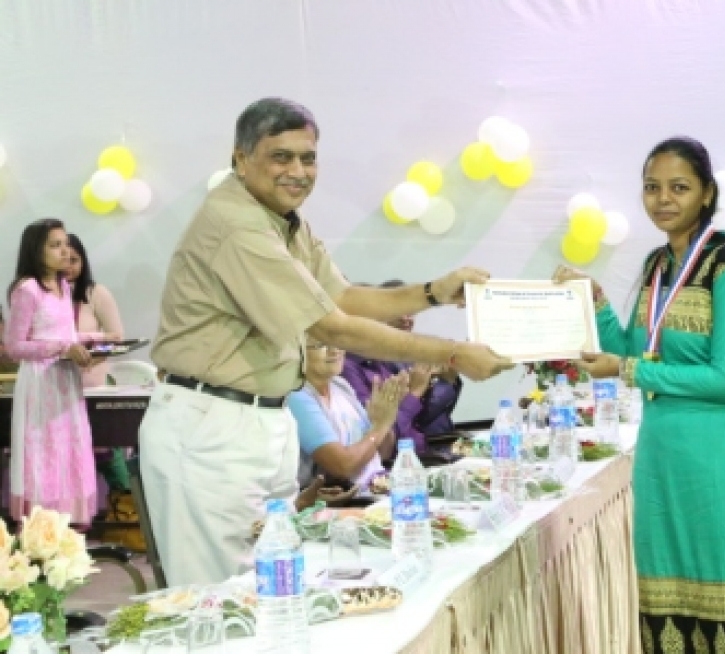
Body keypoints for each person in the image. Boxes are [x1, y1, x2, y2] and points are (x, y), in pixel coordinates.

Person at [141, 97, 513, 585]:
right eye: (281, 157)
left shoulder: (282, 220)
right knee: (222, 592)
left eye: (308, 158)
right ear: (241, 159)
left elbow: (343, 296)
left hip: (261, 419)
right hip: (212, 425)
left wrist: (432, 292)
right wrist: (453, 353)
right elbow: (332, 327)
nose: (297, 171)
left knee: (275, 583)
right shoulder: (236, 224)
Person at [554, 136, 725, 652]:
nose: (663, 199)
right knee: (668, 614)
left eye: (679, 187)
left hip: (722, 462)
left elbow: (722, 378)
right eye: (652, 187)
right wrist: (596, 303)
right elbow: (632, 351)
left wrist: (628, 368)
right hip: (663, 463)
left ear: (707, 193)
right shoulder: (656, 266)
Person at [3, 218, 99, 525]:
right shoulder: (27, 290)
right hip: (40, 384)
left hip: (65, 380)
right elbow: (14, 346)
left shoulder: (64, 286)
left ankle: (68, 528)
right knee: (43, 452)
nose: (65, 252)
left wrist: (93, 344)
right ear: (36, 250)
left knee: (70, 449)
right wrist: (61, 348)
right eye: (55, 245)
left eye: (65, 244)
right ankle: (41, 527)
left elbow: (64, 334)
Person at [342, 280, 464, 453]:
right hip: (402, 458)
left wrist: (447, 381)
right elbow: (384, 433)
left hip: (429, 447)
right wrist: (415, 392)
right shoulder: (347, 368)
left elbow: (421, 417)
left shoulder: (380, 359)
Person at [288, 340, 407, 490]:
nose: (334, 351)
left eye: (337, 341)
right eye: (320, 345)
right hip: (344, 498)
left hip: (379, 485)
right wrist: (379, 428)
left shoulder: (340, 385)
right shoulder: (296, 396)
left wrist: (384, 418)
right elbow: (343, 467)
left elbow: (382, 453)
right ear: (298, 351)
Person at [65, 234, 124, 388]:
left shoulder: (97, 292)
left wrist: (92, 358)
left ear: (83, 262)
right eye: (63, 260)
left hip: (91, 379)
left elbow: (117, 338)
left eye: (73, 260)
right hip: (53, 381)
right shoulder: (43, 296)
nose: (67, 266)